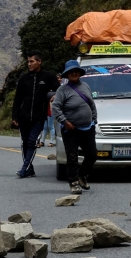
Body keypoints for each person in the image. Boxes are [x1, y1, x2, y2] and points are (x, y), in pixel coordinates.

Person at [52, 60, 98, 194]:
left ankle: (82, 175)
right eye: (71, 72)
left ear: (79, 73)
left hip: (88, 128)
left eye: (76, 71)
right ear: (67, 74)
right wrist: (65, 122)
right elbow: (55, 107)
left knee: (92, 155)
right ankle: (73, 183)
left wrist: (94, 120)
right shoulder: (62, 90)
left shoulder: (85, 86)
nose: (74, 73)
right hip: (70, 129)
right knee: (72, 157)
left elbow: (91, 104)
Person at [12, 51, 58, 178]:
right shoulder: (24, 78)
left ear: (39, 62)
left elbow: (59, 90)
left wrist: (54, 95)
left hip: (39, 117)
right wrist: (15, 116)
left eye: (32, 61)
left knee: (32, 141)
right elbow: (18, 99)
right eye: (28, 61)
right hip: (23, 117)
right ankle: (29, 168)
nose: (29, 64)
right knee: (25, 143)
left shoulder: (48, 77)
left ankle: (24, 168)